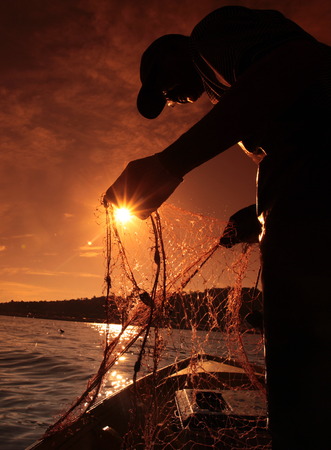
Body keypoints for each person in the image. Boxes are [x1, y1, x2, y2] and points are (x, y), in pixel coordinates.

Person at [104, 6, 331, 449]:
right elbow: (300, 134)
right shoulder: (238, 94)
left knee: (302, 345)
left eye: (165, 87)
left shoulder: (211, 34)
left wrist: (171, 163)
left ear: (176, 53)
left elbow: (298, 64)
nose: (175, 100)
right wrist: (259, 214)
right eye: (168, 99)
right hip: (306, 198)